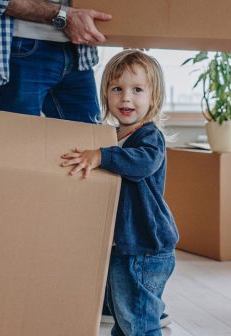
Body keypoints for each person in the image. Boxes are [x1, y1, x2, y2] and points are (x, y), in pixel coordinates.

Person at [60, 50, 179, 336]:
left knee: (138, 324)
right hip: (125, 245)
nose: (126, 98)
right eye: (117, 89)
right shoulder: (112, 136)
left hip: (144, 247)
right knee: (123, 319)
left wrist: (102, 156)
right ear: (106, 95)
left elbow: (142, 163)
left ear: (154, 97)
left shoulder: (149, 137)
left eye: (137, 90)